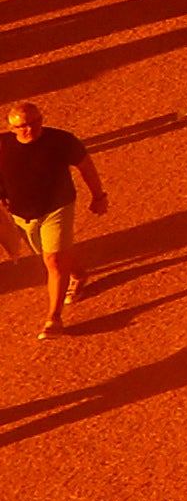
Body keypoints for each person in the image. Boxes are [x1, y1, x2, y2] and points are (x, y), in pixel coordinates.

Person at [3, 101, 109, 333]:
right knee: (49, 256)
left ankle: (54, 318)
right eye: (21, 127)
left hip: (57, 207)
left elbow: (86, 167)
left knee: (53, 260)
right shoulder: (1, 146)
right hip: (21, 214)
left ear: (41, 120)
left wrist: (99, 196)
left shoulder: (62, 141)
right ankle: (78, 274)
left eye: (33, 123)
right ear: (11, 128)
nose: (28, 130)